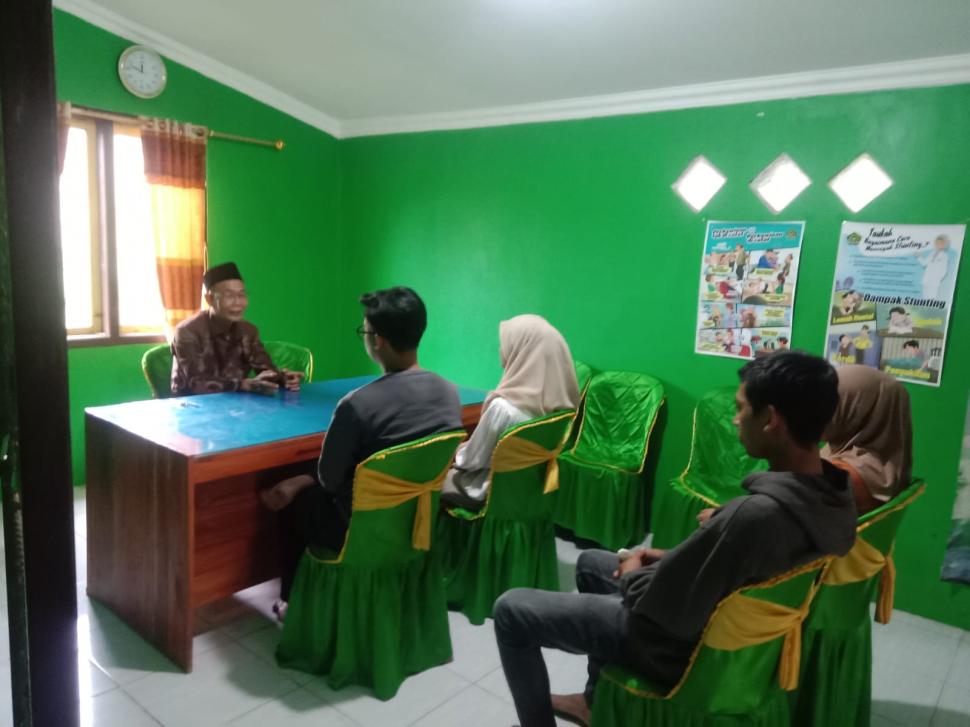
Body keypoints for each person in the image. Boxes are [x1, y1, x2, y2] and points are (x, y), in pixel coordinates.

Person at [493, 352, 856, 727]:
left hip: (681, 648)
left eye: (741, 408)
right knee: (590, 563)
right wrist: (673, 558)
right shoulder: (834, 495)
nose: (736, 419)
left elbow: (655, 602)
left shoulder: (753, 515)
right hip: (732, 632)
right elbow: (735, 570)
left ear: (770, 419)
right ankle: (594, 702)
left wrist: (634, 571)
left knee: (512, 610)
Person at [259, 286, 463, 616]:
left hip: (357, 527)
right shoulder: (450, 393)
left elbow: (329, 478)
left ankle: (292, 604)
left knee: (299, 502)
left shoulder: (357, 405)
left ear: (377, 340)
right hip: (417, 517)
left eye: (364, 330)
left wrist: (299, 481)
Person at [440, 315, 579, 510]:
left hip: (487, 491)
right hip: (528, 491)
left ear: (523, 351)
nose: (501, 351)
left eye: (507, 345)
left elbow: (471, 461)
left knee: (431, 481)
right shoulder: (559, 408)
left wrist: (454, 450)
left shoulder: (504, 409)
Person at [170, 262, 303, 396]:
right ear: (210, 299)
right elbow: (198, 384)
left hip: (236, 401)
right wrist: (243, 384)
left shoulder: (248, 331)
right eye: (229, 296)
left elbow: (265, 370)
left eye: (242, 295)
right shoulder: (187, 331)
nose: (238, 303)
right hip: (191, 404)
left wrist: (282, 378)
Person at [822, 365, 912, 515]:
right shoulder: (885, 464)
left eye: (825, 405)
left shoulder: (847, 477)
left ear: (860, 413)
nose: (813, 412)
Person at [915, 234, 957, 299]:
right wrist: (918, 257)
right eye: (936, 243)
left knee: (931, 298)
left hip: (934, 281)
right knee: (925, 298)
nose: (938, 245)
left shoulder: (944, 256)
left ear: (944, 245)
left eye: (940, 243)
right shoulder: (932, 253)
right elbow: (924, 264)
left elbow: (944, 270)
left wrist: (937, 279)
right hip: (926, 279)